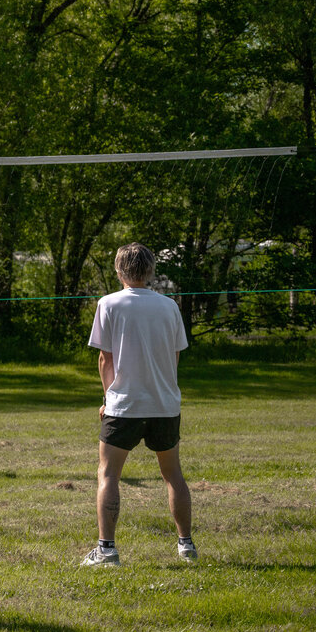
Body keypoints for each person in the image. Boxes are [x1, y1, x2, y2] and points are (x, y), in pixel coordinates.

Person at [82, 242, 195, 567]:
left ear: (119, 271)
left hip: (124, 406)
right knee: (173, 475)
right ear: (151, 271)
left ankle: (107, 550)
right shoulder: (169, 306)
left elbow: (105, 359)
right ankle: (186, 546)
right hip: (164, 405)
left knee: (109, 475)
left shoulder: (109, 304)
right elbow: (174, 357)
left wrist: (107, 398)